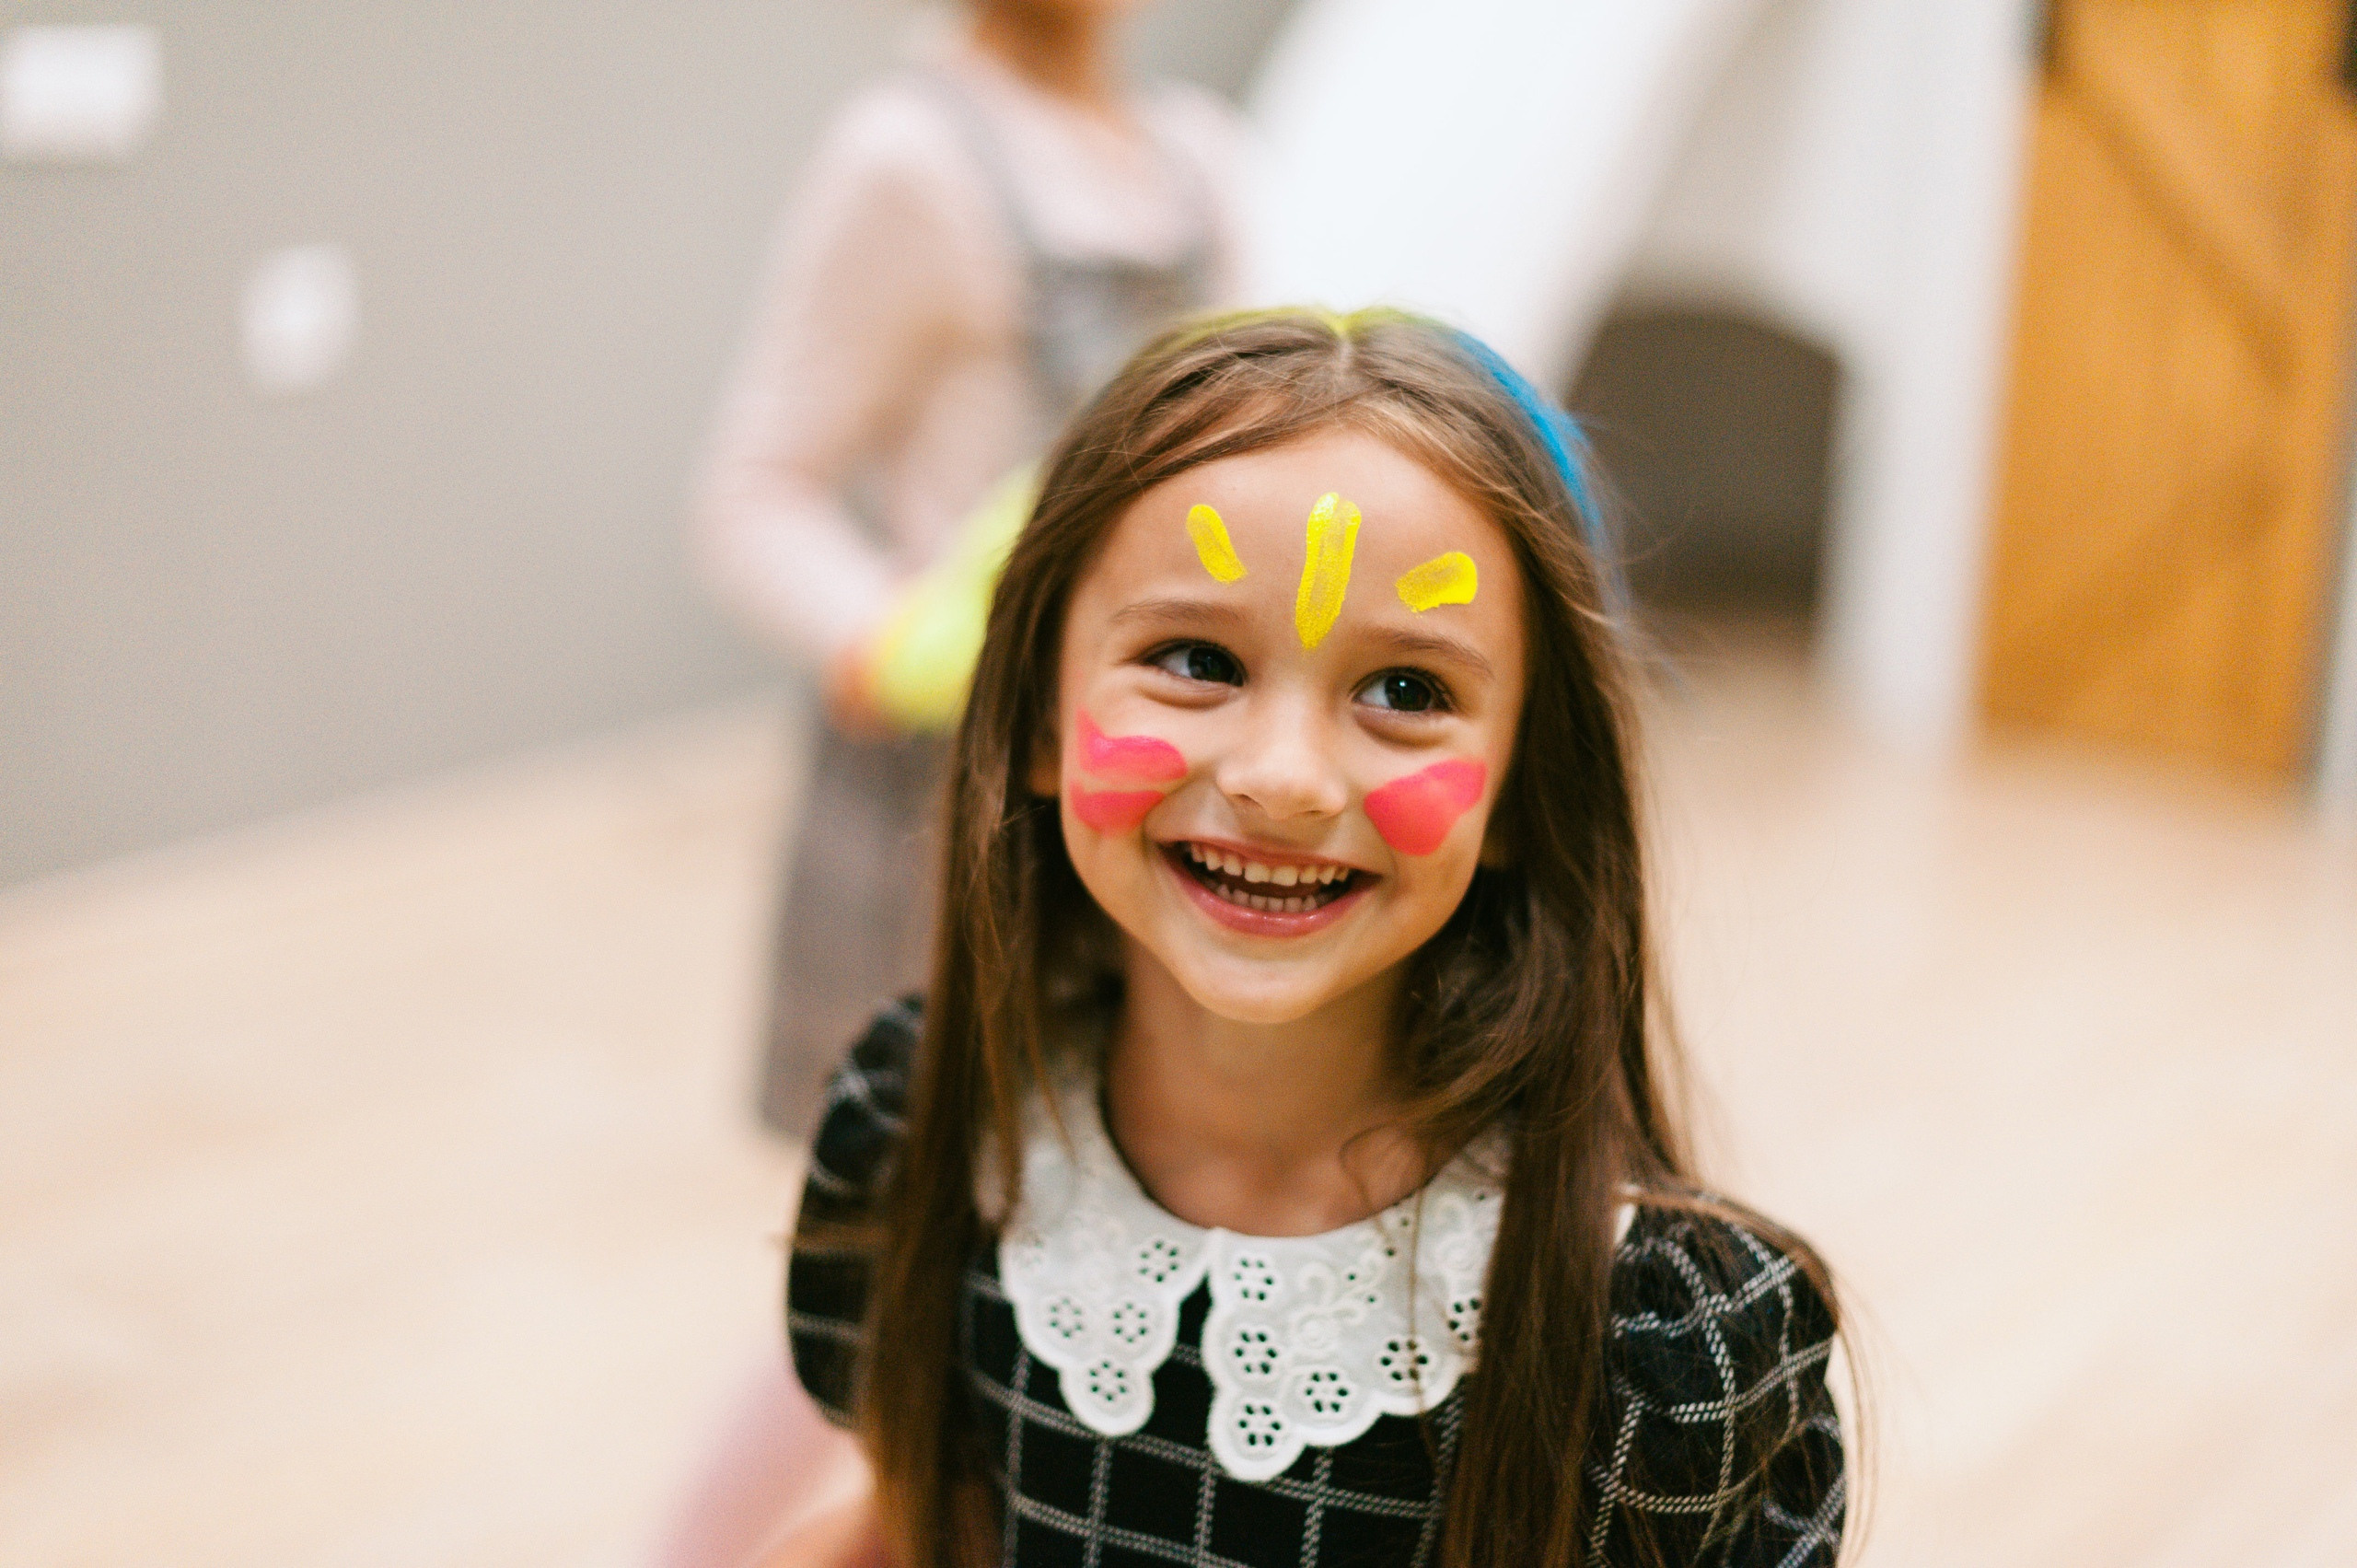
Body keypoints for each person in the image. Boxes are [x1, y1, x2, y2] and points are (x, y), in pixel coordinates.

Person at [767, 308, 1851, 1566]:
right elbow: (912, 1523)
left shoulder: (1654, 1342)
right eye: (1193, 658)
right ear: (1042, 725)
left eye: (1407, 691)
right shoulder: (930, 1137)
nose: (1285, 778)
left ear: (1518, 791)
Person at [695, 0, 1245, 1140]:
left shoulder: (1198, 159)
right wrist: (883, 636)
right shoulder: (909, 160)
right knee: (917, 1161)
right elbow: (752, 491)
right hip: (953, 783)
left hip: (1159, 759)